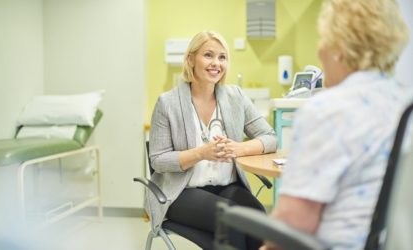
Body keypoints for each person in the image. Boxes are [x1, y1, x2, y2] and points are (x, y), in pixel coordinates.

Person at [262, 0, 411, 249]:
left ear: (338, 47)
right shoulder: (406, 102)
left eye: (322, 39)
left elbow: (292, 226)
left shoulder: (326, 110)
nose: (319, 51)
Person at [148, 30, 277, 249]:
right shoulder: (167, 103)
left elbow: (271, 138)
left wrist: (239, 148)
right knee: (232, 222)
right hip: (182, 192)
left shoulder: (236, 98)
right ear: (191, 59)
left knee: (258, 219)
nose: (216, 63)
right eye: (208, 55)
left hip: (226, 186)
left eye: (222, 57)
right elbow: (158, 160)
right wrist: (201, 153)